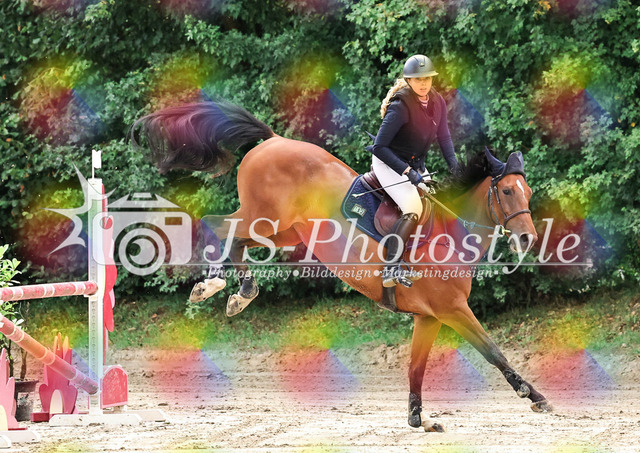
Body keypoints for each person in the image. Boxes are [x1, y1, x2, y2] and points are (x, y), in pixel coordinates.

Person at [371, 54, 460, 311]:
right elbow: (379, 147)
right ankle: (392, 267)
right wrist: (408, 172)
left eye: (427, 79)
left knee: (438, 203)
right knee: (413, 208)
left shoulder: (437, 101)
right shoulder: (401, 106)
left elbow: (444, 138)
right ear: (409, 81)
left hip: (414, 165)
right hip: (389, 164)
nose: (423, 84)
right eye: (418, 80)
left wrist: (456, 169)